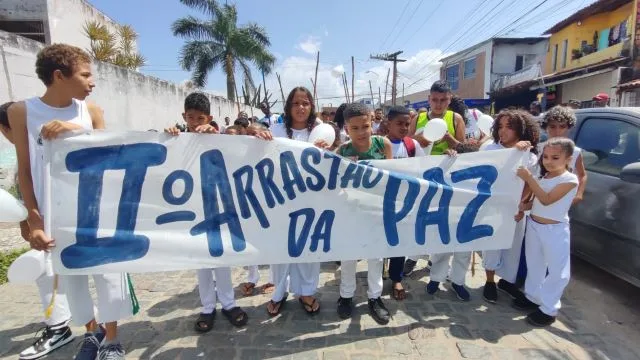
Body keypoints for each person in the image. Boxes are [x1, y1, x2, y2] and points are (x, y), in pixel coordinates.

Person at [9, 43, 132, 360]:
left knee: (108, 274)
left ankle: (113, 338)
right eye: (86, 74)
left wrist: (73, 129)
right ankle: (92, 333)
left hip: (96, 208)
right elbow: (25, 170)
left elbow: (108, 150)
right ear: (59, 75)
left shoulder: (90, 111)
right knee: (72, 278)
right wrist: (34, 220)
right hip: (56, 214)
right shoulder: (21, 112)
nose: (92, 82)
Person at [164, 93, 249, 332]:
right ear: (183, 116)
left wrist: (215, 137)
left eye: (199, 117)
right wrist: (169, 136)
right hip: (192, 207)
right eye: (190, 117)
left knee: (221, 257)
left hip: (217, 205)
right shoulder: (178, 137)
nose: (194, 122)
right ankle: (208, 307)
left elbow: (236, 157)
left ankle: (229, 303)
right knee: (202, 261)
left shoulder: (220, 138)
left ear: (209, 118)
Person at [257, 87, 325, 317]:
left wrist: (328, 150)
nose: (301, 108)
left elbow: (335, 159)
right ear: (288, 107)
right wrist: (259, 134)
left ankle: (306, 292)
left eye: (305, 103)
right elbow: (254, 140)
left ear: (311, 106)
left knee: (308, 246)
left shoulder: (320, 131)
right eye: (296, 103)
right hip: (280, 199)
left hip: (311, 199)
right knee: (281, 247)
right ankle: (279, 292)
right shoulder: (275, 129)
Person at [336, 102, 393, 324]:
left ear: (372, 122)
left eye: (365, 126)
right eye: (355, 128)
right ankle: (346, 296)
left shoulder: (383, 145)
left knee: (376, 257)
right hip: (351, 212)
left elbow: (393, 177)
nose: (361, 132)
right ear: (346, 129)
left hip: (377, 213)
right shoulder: (342, 151)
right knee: (348, 256)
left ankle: (375, 297)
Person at [514, 138, 578, 327]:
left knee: (558, 271)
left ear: (568, 158)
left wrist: (529, 178)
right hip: (534, 225)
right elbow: (537, 201)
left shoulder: (569, 180)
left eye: (555, 157)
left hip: (555, 229)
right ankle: (533, 296)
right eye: (546, 157)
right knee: (535, 264)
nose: (549, 161)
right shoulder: (545, 177)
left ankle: (549, 308)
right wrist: (525, 206)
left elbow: (547, 199)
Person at [481, 109, 540, 304]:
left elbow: (530, 183)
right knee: (492, 245)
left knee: (513, 246)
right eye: (500, 126)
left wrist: (521, 207)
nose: (503, 131)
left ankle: (507, 281)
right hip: (493, 207)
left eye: (509, 127)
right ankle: (489, 281)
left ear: (521, 130)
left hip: (516, 211)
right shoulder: (490, 150)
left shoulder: (529, 156)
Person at [384, 106, 426, 301]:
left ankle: (396, 277)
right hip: (380, 201)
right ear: (388, 123)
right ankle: (376, 274)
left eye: (407, 124)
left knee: (398, 241)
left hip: (403, 203)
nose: (403, 127)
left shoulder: (412, 145)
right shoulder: (378, 144)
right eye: (399, 123)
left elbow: (426, 167)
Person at [538, 106, 587, 204]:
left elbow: (582, 174)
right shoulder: (537, 148)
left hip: (560, 200)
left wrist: (579, 194)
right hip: (537, 198)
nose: (557, 131)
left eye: (562, 126)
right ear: (545, 127)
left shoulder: (575, 151)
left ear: (568, 128)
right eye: (552, 126)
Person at [413, 81, 466, 155]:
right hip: (422, 165)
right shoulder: (418, 118)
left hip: (446, 165)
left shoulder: (456, 118)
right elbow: (404, 144)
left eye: (443, 100)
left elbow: (465, 150)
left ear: (450, 99)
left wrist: (450, 140)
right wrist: (415, 139)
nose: (438, 104)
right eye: (434, 100)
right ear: (429, 99)